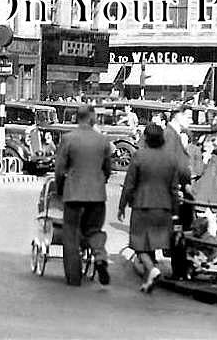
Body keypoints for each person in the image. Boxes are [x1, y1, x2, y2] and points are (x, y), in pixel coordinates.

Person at [118, 123, 185, 293]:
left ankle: (151, 269)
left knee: (139, 244)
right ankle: (149, 280)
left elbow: (129, 184)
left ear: (146, 138)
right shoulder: (171, 159)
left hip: (142, 206)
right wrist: (175, 213)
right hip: (164, 207)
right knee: (155, 242)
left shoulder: (139, 156)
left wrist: (122, 206)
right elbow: (174, 189)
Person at [54, 105, 112, 286]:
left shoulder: (68, 139)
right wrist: (101, 181)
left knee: (70, 234)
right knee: (94, 230)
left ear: (77, 118)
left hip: (74, 193)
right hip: (96, 195)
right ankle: (100, 257)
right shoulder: (103, 141)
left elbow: (59, 168)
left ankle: (74, 277)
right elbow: (107, 169)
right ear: (92, 117)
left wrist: (61, 188)